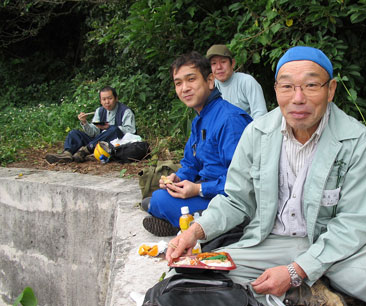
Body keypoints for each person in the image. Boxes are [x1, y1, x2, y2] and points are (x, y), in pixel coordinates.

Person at [165, 46, 366, 306]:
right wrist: (195, 231)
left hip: (336, 252)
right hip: (269, 245)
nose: (298, 98)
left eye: (311, 85)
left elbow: (353, 224)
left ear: (331, 89)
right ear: (275, 90)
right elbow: (236, 200)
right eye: (287, 86)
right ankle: (297, 295)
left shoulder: (357, 140)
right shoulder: (257, 133)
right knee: (182, 279)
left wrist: (296, 270)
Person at [142, 51, 252, 237]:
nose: (184, 88)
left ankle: (214, 227)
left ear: (210, 81)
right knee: (158, 197)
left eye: (191, 79)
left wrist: (199, 189)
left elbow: (242, 181)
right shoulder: (199, 119)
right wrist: (177, 179)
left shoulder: (230, 119)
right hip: (207, 191)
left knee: (157, 201)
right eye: (178, 83)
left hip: (230, 200)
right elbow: (191, 164)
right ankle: (185, 223)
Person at [45, 86, 136, 163]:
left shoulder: (126, 111)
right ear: (100, 101)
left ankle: (85, 151)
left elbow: (131, 130)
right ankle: (67, 154)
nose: (107, 102)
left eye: (110, 98)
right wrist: (85, 123)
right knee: (74, 133)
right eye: (104, 99)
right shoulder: (99, 111)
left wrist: (109, 128)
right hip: (97, 141)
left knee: (114, 130)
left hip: (114, 143)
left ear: (116, 98)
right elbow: (93, 132)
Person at [206, 44, 268, 119]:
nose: (219, 67)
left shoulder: (246, 82)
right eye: (214, 63)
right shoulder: (211, 86)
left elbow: (260, 114)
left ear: (233, 63)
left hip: (247, 129)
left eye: (223, 62)